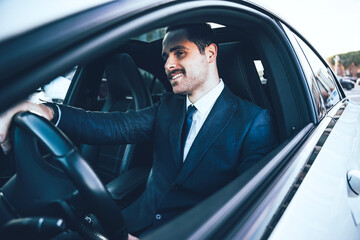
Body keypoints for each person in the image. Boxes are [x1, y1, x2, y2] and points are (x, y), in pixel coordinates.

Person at [0, 23, 278, 237]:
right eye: (166, 55)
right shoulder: (167, 105)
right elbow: (113, 126)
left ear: (210, 53)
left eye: (179, 52)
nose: (168, 64)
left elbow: (245, 208)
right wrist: (47, 110)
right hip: (129, 222)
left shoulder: (254, 121)